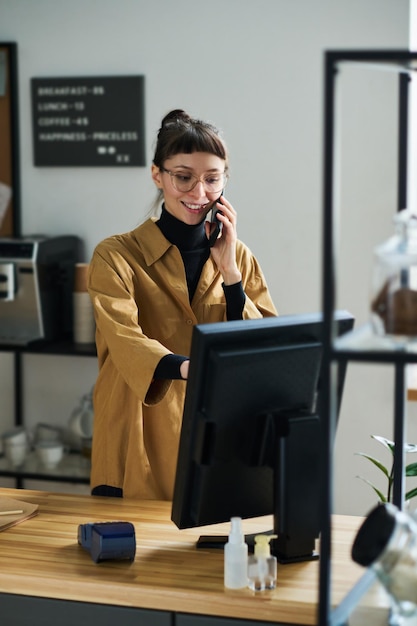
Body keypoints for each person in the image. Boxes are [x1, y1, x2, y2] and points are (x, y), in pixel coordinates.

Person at [87, 109, 278, 500]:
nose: (199, 193)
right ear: (157, 175)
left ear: (225, 179)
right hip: (134, 431)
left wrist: (229, 274)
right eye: (183, 177)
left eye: (212, 179)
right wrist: (194, 367)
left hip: (213, 435)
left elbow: (264, 346)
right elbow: (125, 340)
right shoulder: (115, 255)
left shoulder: (239, 257)